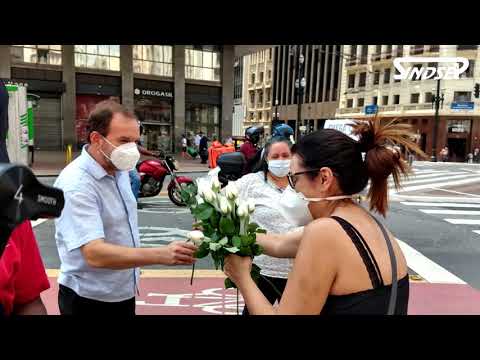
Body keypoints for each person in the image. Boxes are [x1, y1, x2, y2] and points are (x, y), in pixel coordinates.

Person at [224, 118, 424, 315]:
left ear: (324, 178)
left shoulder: (325, 232)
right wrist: (225, 232)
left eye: (294, 178)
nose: (292, 188)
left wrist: (242, 277)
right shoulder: (363, 222)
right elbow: (279, 243)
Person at [54, 100, 197, 316]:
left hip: (122, 292)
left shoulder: (118, 169)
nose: (131, 149)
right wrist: (161, 254)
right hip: (89, 299)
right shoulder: (76, 184)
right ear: (96, 139)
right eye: (123, 140)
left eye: (135, 141)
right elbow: (94, 254)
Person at [229, 137, 300, 315]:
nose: (281, 160)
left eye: (286, 155)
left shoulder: (303, 182)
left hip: (299, 271)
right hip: (263, 270)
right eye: (275, 156)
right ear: (266, 159)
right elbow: (219, 202)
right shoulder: (251, 182)